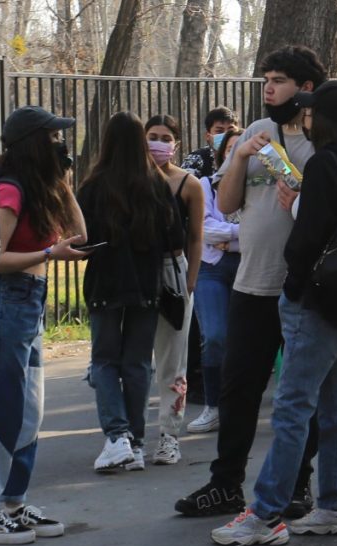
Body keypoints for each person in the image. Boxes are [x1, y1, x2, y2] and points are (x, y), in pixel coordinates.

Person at [210, 80, 337, 546]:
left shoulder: (327, 162)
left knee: (292, 407)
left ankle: (265, 514)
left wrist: (293, 279)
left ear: (321, 119)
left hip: (316, 298)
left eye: (309, 113)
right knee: (336, 407)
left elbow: (309, 235)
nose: (303, 119)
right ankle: (336, 506)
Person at [175, 45, 325, 519]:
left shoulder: (323, 140)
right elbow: (229, 201)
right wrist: (239, 157)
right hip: (251, 284)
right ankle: (225, 484)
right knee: (239, 390)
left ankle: (297, 484)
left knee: (300, 394)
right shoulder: (258, 133)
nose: (268, 89)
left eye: (277, 80)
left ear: (304, 88)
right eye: (265, 80)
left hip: (301, 288)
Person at [0, 106, 86, 544]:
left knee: (28, 410)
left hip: (29, 303)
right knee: (0, 404)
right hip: (6, 300)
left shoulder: (40, 187)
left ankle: (12, 503)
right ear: (35, 143)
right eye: (54, 138)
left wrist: (65, 184)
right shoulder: (10, 190)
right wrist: (47, 255)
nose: (61, 144)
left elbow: (80, 232)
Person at [77, 111, 183, 472]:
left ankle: (117, 435)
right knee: (138, 363)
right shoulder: (156, 185)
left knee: (105, 360)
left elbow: (83, 240)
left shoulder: (93, 187)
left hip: (105, 282)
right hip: (146, 284)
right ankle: (136, 443)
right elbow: (175, 242)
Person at [144, 114, 205, 467]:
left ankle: (169, 434)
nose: (158, 143)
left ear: (176, 143)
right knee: (135, 360)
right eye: (152, 136)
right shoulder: (130, 180)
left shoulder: (189, 184)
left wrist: (191, 278)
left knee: (172, 361)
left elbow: (196, 236)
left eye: (165, 137)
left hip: (174, 272)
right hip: (136, 275)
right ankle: (128, 436)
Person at [187, 126, 244, 434]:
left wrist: (230, 239)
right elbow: (205, 230)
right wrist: (239, 236)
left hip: (249, 267)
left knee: (247, 340)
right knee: (216, 335)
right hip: (212, 268)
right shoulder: (205, 185)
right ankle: (213, 406)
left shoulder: (259, 185)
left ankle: (240, 403)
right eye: (230, 148)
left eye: (242, 147)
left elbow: (263, 229)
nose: (235, 153)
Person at [181, 107, 238, 179]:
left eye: (231, 130)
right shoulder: (196, 158)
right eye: (219, 131)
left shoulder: (245, 156)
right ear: (208, 136)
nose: (226, 135)